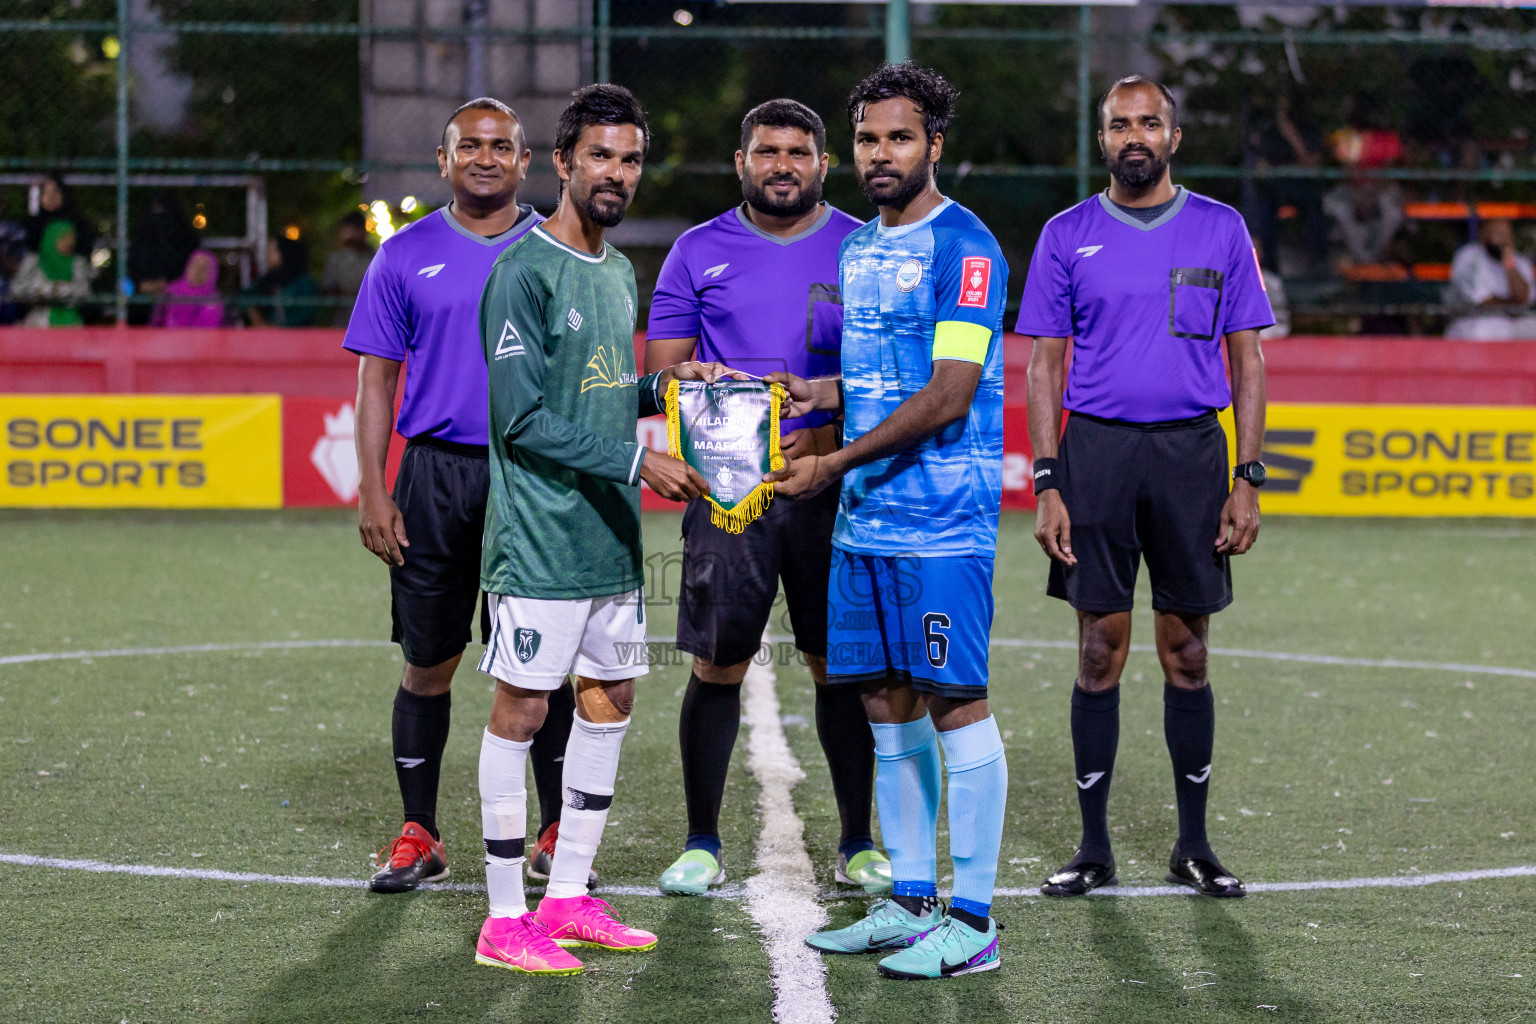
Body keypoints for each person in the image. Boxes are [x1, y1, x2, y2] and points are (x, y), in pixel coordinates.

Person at [769, 62, 1010, 981]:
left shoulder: (968, 246)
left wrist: (831, 462)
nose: (881, 154)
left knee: (955, 701)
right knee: (881, 698)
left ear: (933, 146)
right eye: (868, 139)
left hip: (942, 519)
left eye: (899, 138)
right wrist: (818, 392)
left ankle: (975, 919)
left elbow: (949, 394)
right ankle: (910, 901)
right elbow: (884, 380)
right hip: (867, 522)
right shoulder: (860, 248)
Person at [470, 83, 716, 977]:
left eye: (630, 159)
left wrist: (667, 389)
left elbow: (600, 390)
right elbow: (521, 419)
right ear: (564, 161)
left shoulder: (616, 270)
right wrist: (635, 460)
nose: (616, 173)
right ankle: (505, 916)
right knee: (524, 710)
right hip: (539, 540)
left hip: (609, 540)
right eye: (601, 156)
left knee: (611, 700)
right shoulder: (520, 271)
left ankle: (568, 895)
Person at [1017, 76, 1272, 901]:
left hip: (1193, 457)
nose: (1135, 135)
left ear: (1174, 135)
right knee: (1098, 649)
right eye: (1120, 124)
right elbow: (1044, 364)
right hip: (1094, 454)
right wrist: (1049, 480)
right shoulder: (1067, 234)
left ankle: (1193, 845)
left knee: (1188, 652)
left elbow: (1248, 359)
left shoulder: (1220, 227)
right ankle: (1093, 849)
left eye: (1149, 122)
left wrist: (1248, 477)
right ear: (1104, 138)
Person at [643, 98, 889, 896]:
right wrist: (710, 393)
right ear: (741, 161)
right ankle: (702, 842)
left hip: (832, 488)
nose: (782, 164)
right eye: (766, 151)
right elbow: (664, 375)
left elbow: (892, 380)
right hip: (729, 495)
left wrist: (824, 408)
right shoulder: (695, 251)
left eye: (798, 151)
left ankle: (859, 841)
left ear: (824, 164)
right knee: (718, 665)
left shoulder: (866, 248)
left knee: (837, 665)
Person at [343, 98, 578, 894]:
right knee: (428, 662)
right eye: (468, 145)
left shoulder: (561, 249)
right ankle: (420, 833)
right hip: (436, 475)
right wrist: (374, 489)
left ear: (526, 161)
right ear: (443, 161)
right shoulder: (402, 255)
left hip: (535, 476)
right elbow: (377, 377)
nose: (485, 156)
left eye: (501, 146)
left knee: (540, 666)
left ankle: (552, 829)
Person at [1444, 218, 1536, 341]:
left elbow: (1523, 298)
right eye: (1497, 233)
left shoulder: (1518, 262)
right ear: (1483, 234)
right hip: (1472, 320)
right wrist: (1512, 302)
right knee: (1486, 330)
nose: (1502, 239)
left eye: (1506, 234)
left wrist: (1508, 263)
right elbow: (1481, 302)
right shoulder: (1469, 257)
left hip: (1512, 320)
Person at [129, 190, 200, 326]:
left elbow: (196, 278)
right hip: (141, 304)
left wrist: (171, 286)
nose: (159, 218)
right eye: (155, 210)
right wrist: (139, 286)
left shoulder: (186, 242)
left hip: (179, 300)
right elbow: (124, 282)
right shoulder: (139, 241)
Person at [12, 220, 91, 327]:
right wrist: (46, 289)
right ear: (51, 238)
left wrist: (63, 289)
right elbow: (16, 289)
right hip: (38, 323)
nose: (70, 242)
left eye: (72, 238)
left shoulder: (78, 263)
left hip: (71, 322)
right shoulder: (33, 261)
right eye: (64, 238)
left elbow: (85, 292)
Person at [245, 237, 320, 327]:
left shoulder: (304, 284)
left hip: (298, 337)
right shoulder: (267, 280)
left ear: (284, 253)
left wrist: (273, 329)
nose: (266, 254)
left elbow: (304, 314)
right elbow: (246, 297)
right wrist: (258, 320)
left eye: (271, 250)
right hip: (269, 337)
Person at [322, 211, 374, 326]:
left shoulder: (376, 258)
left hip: (370, 322)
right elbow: (328, 289)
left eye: (350, 229)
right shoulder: (336, 259)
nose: (345, 234)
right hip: (342, 322)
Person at [24, 174, 96, 256]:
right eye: (46, 192)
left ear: (63, 194)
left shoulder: (77, 223)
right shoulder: (33, 224)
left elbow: (84, 248)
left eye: (55, 192)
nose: (51, 197)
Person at [151, 249, 225, 328]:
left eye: (204, 268)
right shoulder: (171, 291)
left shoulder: (214, 299)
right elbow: (156, 323)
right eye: (195, 265)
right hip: (168, 338)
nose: (198, 270)